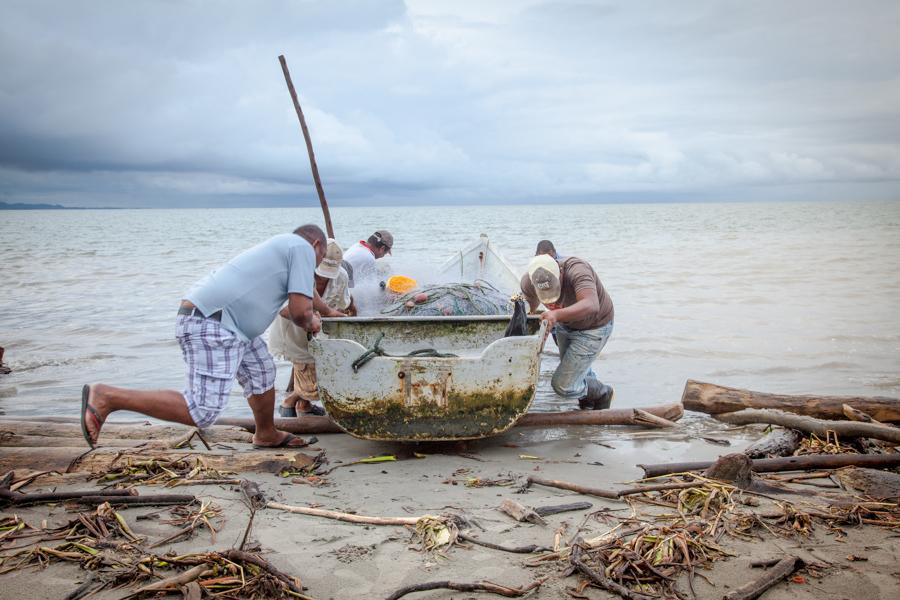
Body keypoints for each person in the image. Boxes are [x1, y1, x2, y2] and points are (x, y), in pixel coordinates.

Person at [79, 224, 327, 449]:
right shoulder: (302, 249)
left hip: (228, 324)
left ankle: (266, 433)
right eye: (322, 258)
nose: (316, 266)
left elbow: (308, 298)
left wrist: (329, 312)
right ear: (316, 244)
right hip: (213, 322)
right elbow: (300, 313)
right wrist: (312, 321)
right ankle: (107, 397)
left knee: (261, 371)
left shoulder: (286, 248)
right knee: (202, 411)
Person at [269, 238, 352, 417]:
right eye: (321, 273)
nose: (323, 277)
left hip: (319, 329)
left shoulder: (341, 276)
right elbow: (283, 309)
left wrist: (340, 317)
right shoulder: (297, 274)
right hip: (292, 330)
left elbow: (341, 305)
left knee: (326, 367)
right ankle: (289, 403)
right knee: (309, 375)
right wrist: (310, 318)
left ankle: (303, 406)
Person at [521, 253, 615, 410]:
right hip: (565, 325)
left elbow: (592, 304)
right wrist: (539, 330)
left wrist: (556, 314)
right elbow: (530, 310)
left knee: (564, 385)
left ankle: (603, 392)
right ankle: (589, 405)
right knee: (576, 372)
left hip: (594, 327)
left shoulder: (577, 271)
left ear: (560, 273)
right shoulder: (528, 281)